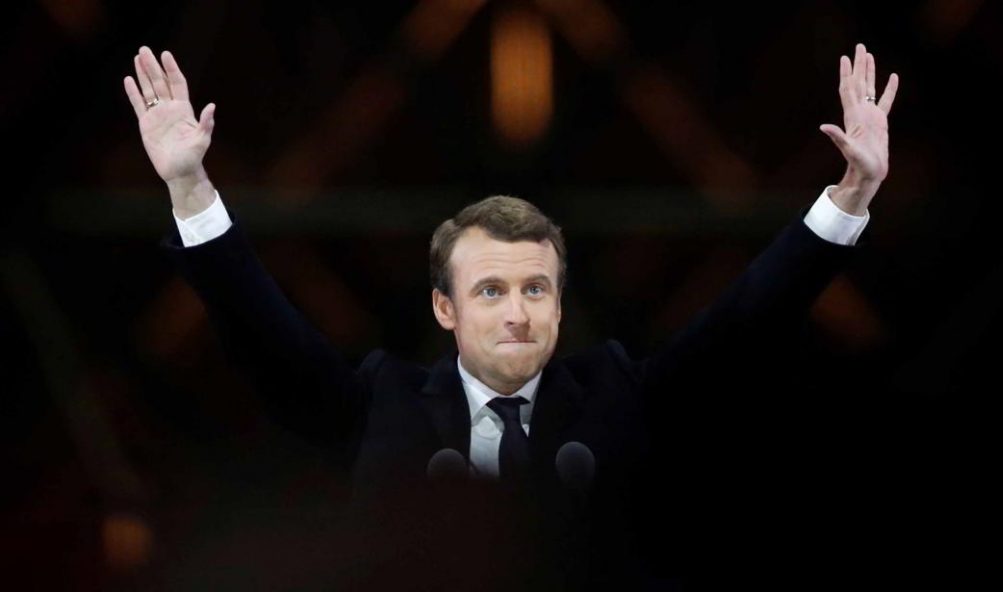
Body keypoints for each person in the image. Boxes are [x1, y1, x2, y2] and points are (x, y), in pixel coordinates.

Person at [124, 43, 897, 589]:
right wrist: (190, 188)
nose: (519, 313)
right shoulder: (380, 403)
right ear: (444, 308)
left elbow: (746, 326)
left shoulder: (619, 396)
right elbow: (267, 341)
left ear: (561, 305)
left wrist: (851, 195)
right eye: (491, 291)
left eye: (536, 290)